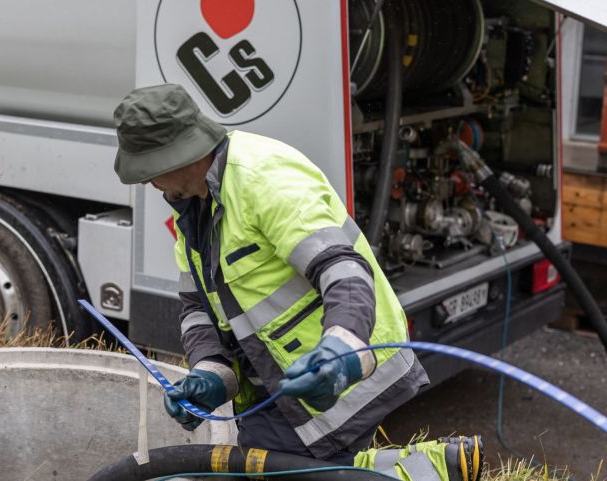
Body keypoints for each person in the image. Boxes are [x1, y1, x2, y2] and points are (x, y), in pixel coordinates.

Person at [113, 83, 482, 481]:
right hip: (279, 385)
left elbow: (343, 270)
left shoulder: (263, 178)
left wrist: (339, 354)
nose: (149, 184)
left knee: (276, 472)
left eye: (149, 171)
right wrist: (209, 374)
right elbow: (197, 307)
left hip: (330, 376)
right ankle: (432, 469)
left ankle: (420, 473)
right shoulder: (193, 206)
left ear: (178, 154)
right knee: (291, 472)